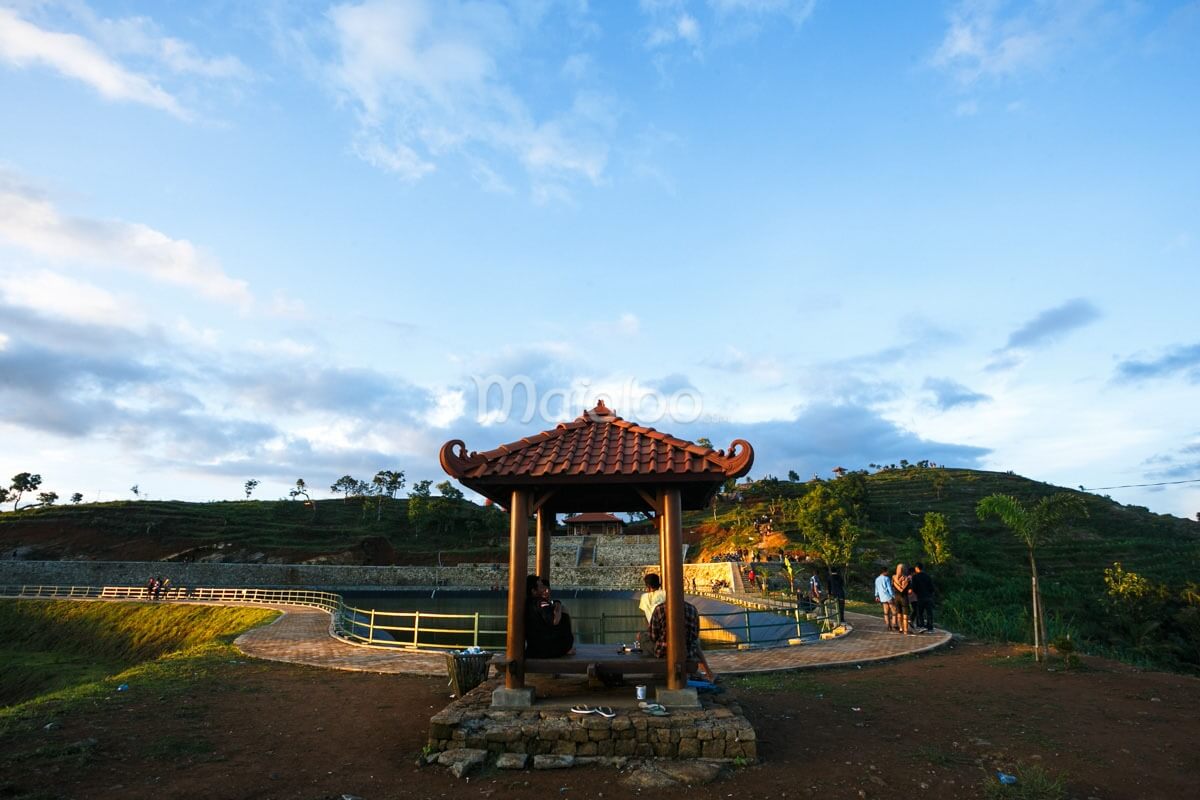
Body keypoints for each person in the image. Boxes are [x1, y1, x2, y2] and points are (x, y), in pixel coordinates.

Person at [648, 599, 716, 682]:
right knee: (696, 643)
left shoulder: (659, 609)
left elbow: (653, 636)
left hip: (663, 652)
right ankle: (708, 673)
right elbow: (695, 635)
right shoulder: (692, 609)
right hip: (687, 652)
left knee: (642, 637)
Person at [524, 575, 575, 658]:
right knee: (564, 612)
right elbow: (555, 620)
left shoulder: (529, 603)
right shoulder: (540, 603)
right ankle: (567, 647)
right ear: (534, 591)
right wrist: (558, 604)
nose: (544, 589)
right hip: (547, 650)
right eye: (541, 587)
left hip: (534, 648)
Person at [911, 563, 935, 633]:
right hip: (928, 597)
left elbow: (914, 588)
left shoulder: (915, 577)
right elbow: (932, 587)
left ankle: (921, 626)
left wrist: (917, 593)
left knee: (920, 612)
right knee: (929, 613)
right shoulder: (928, 576)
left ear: (917, 568)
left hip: (920, 597)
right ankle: (930, 628)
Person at [892, 563, 912, 635]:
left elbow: (893, 586)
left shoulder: (893, 577)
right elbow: (909, 591)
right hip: (904, 597)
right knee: (905, 614)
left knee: (899, 613)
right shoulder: (907, 578)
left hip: (896, 597)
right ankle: (905, 630)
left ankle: (901, 628)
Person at [874, 567, 897, 631]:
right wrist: (893, 596)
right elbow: (889, 588)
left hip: (882, 597)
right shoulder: (886, 578)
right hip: (888, 596)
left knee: (886, 612)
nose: (888, 572)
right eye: (887, 571)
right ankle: (894, 624)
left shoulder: (877, 579)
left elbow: (876, 588)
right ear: (885, 571)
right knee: (894, 611)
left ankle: (888, 625)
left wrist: (876, 596)